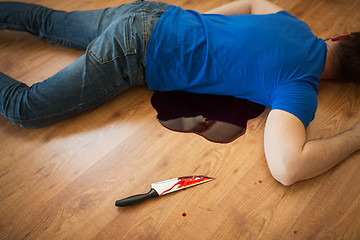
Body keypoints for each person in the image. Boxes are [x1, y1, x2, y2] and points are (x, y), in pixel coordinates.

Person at [0, 0, 359, 186]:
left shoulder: (293, 23)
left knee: (48, 22)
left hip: (151, 13)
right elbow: (288, 167)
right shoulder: (299, 89)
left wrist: (200, 28)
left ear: (340, 36)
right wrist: (355, 136)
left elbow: (253, 3)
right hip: (135, 51)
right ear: (345, 82)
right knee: (25, 108)